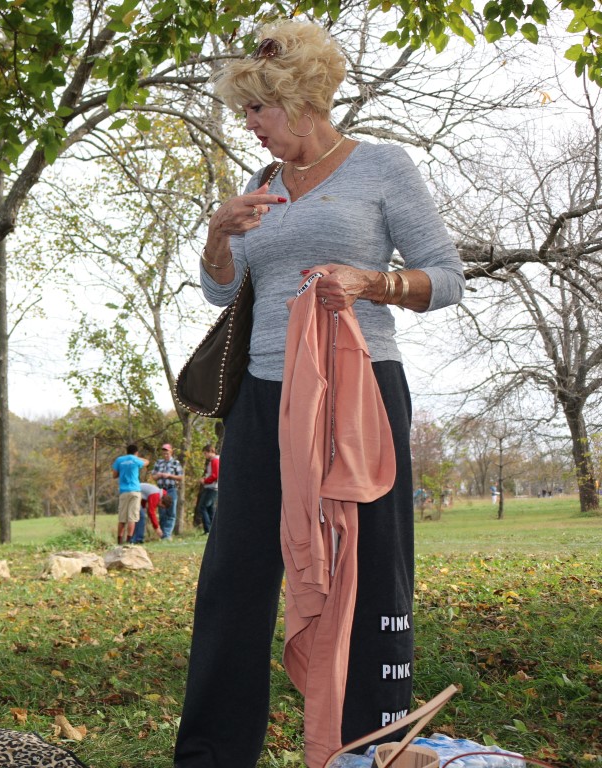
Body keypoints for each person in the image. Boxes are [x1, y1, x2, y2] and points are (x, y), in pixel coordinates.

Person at [175, 21, 465, 768]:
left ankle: (371, 746)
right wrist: (218, 235)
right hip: (264, 397)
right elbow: (223, 292)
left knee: (371, 570)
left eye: (256, 109)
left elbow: (446, 277)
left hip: (359, 391)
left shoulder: (383, 167)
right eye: (244, 110)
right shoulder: (262, 185)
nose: (248, 124)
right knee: (235, 576)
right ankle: (211, 755)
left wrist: (373, 282)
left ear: (299, 100)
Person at [112, 444, 148, 545]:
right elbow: (146, 462)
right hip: (135, 491)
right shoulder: (136, 460)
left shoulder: (119, 460)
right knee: (132, 517)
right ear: (136, 452)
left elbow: (114, 475)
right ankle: (129, 541)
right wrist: (137, 457)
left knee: (122, 518)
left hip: (123, 491)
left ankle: (119, 541)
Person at [151, 444, 184, 539]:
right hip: (161, 490)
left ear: (171, 452)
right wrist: (159, 475)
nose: (165, 455)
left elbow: (180, 477)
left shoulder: (175, 463)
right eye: (164, 453)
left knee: (171, 512)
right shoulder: (158, 462)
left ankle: (167, 534)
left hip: (171, 489)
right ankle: (163, 534)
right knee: (162, 513)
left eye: (167, 453)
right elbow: (153, 476)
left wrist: (169, 476)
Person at [196, 444, 219, 535]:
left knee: (202, 507)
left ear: (210, 452)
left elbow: (215, 475)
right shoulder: (213, 461)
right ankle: (214, 529)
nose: (205, 455)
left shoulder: (215, 460)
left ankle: (208, 529)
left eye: (205, 453)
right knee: (210, 509)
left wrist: (205, 481)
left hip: (212, 488)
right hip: (212, 487)